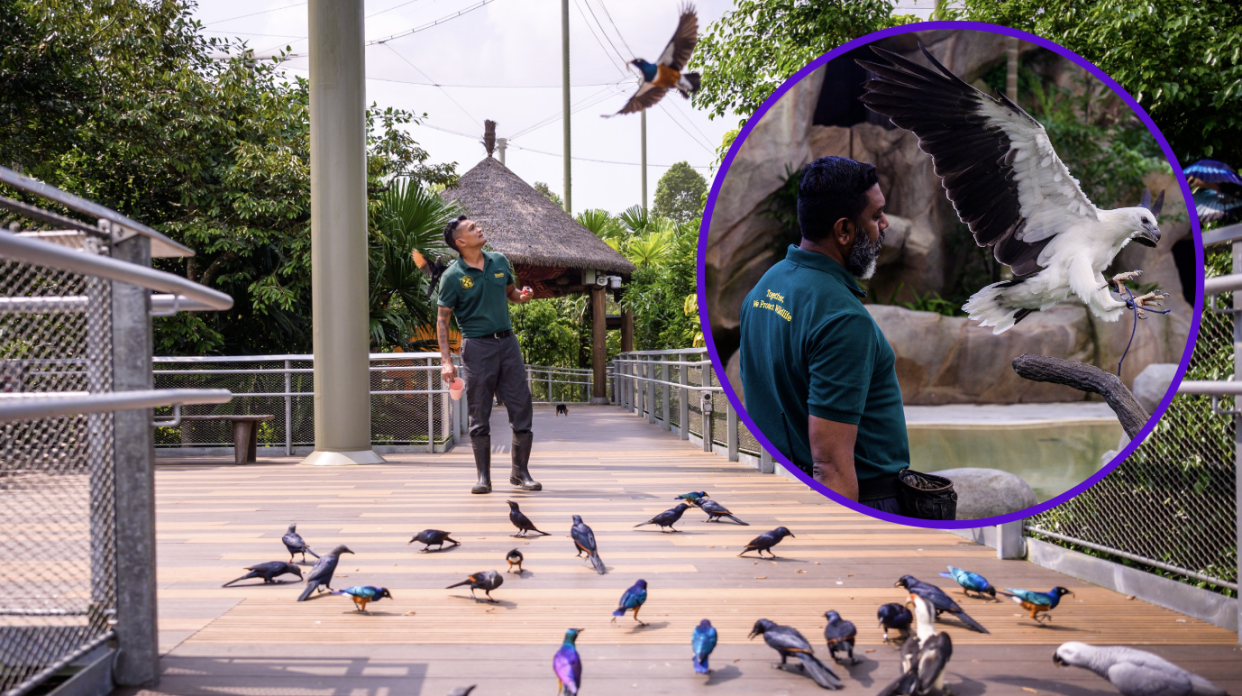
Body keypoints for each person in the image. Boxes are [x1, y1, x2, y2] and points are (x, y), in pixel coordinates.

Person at [739, 156, 909, 514]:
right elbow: (830, 467)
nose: (885, 223)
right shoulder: (843, 320)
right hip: (865, 498)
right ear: (844, 231)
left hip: (786, 490)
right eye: (876, 216)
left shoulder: (763, 290)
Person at [435, 215, 540, 494]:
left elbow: (511, 293)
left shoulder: (499, 261)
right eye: (472, 229)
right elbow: (442, 321)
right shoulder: (452, 277)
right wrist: (446, 361)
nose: (479, 228)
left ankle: (521, 473)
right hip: (477, 348)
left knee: (521, 405)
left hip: (508, 344)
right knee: (479, 411)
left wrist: (523, 296)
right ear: (460, 242)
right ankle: (484, 477)